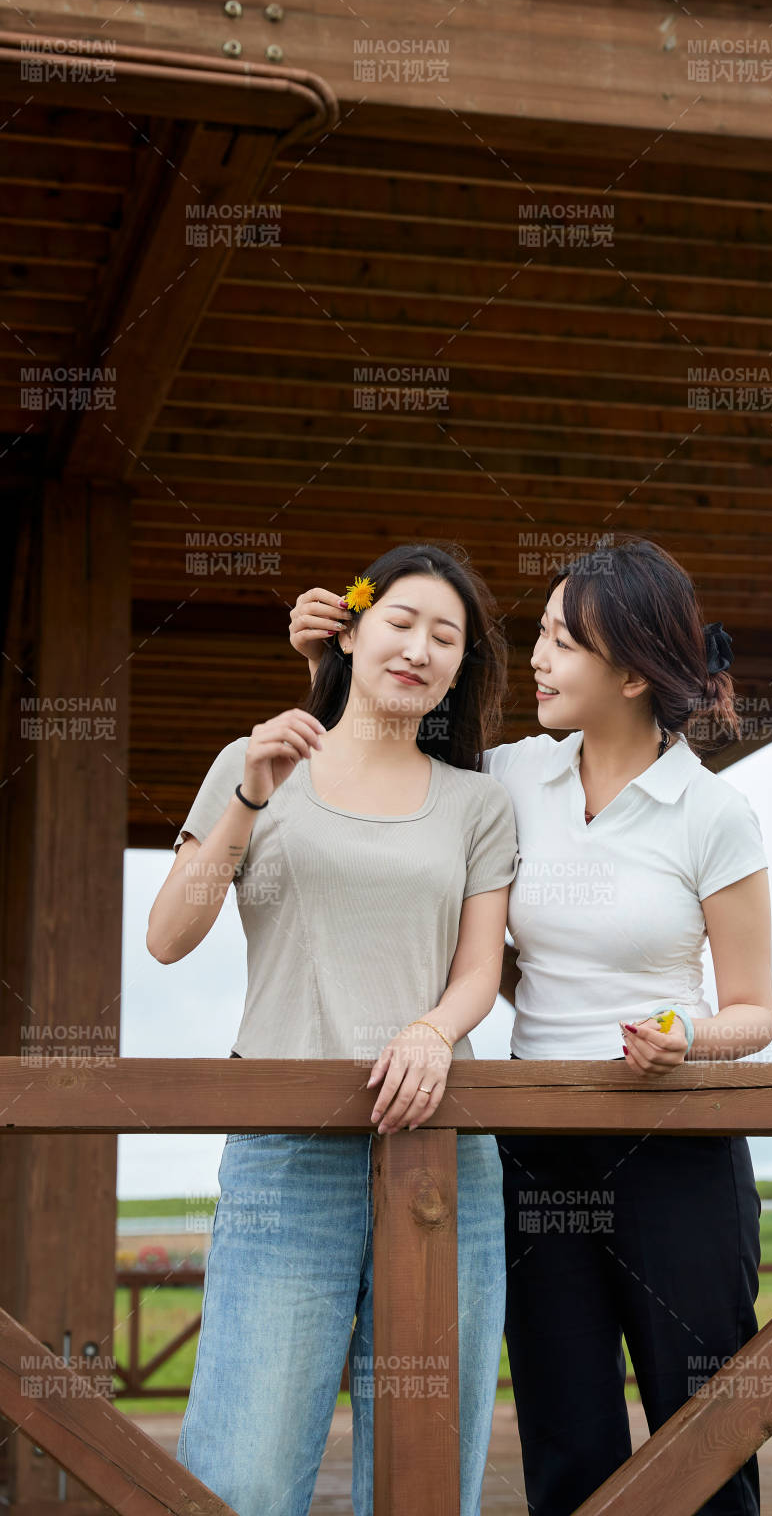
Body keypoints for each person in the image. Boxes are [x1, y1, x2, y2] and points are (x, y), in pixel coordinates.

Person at [290, 535, 772, 1516]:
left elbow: (755, 1013)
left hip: (676, 1147)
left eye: (560, 642)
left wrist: (684, 1031)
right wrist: (329, 659)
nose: (537, 660)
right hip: (536, 1148)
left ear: (631, 672)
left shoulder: (712, 812)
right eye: (541, 635)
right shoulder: (509, 774)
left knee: (706, 1442)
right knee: (566, 1441)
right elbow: (377, 751)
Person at [147, 542, 520, 1516]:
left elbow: (480, 969)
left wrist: (434, 1031)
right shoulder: (254, 759)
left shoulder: (479, 802)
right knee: (246, 1469)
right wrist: (248, 792)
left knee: (427, 1475)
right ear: (347, 630)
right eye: (400, 620)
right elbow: (167, 935)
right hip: (286, 1150)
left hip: (445, 1150)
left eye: (446, 636)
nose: (420, 647)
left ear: (459, 668)